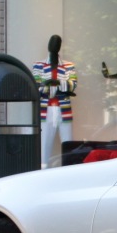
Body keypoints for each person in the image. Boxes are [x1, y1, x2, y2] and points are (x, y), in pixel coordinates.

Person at [32, 35, 77, 167]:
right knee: (44, 144)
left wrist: (52, 83)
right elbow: (36, 87)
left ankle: (68, 170)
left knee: (68, 143)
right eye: (52, 42)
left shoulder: (69, 65)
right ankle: (42, 170)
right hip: (45, 111)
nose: (54, 45)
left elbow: (72, 85)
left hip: (64, 110)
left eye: (57, 43)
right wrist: (61, 87)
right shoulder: (38, 65)